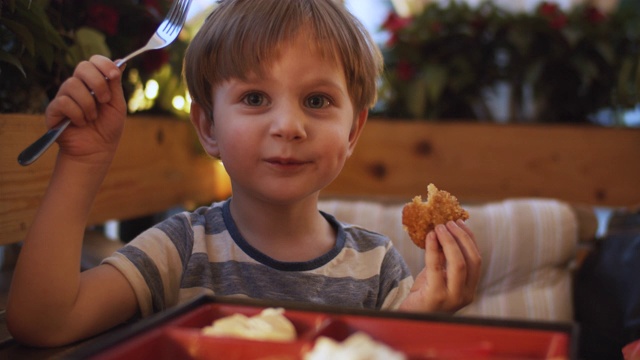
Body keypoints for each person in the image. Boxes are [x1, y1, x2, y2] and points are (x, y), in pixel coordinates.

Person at [6, 0, 481, 347]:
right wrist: (82, 164)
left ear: (353, 130)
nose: (289, 127)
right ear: (208, 126)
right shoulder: (180, 249)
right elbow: (44, 323)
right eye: (255, 98)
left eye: (317, 101)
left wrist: (424, 317)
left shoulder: (378, 266)